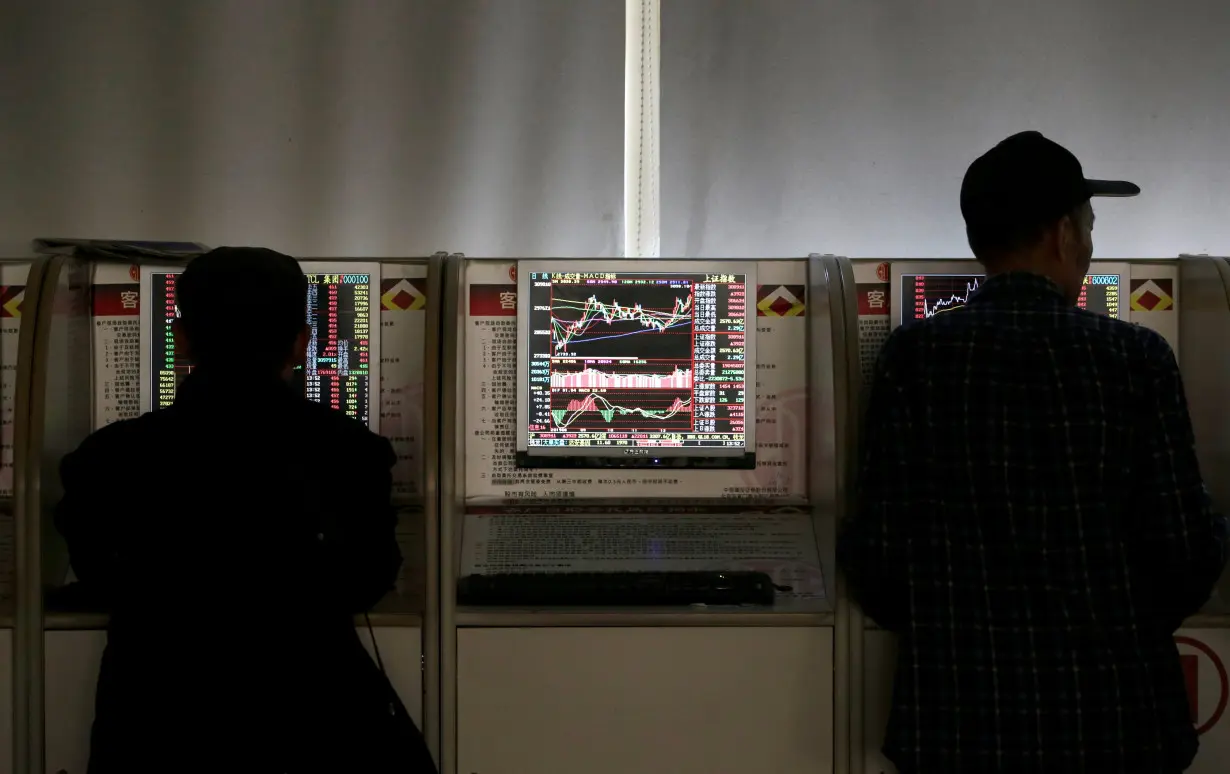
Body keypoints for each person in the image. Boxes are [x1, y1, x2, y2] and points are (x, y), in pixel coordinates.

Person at [839, 131, 1227, 774]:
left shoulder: (913, 357)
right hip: (1115, 727)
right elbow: (1184, 555)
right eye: (1090, 224)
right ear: (1062, 235)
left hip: (958, 731)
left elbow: (879, 560)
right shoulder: (1135, 359)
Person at [55, 247, 436, 773]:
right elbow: (367, 579)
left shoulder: (108, 457)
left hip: (154, 728)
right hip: (315, 724)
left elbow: (100, 575)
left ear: (182, 338)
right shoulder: (350, 450)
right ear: (301, 343)